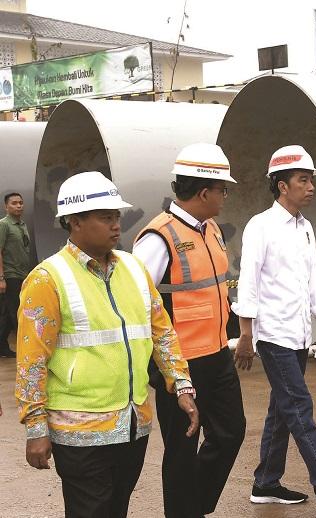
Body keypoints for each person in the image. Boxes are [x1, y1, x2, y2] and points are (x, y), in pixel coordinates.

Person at [15, 171, 199, 518]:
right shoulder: (47, 279)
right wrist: (36, 429)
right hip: (79, 432)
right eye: (105, 217)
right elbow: (31, 361)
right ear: (74, 222)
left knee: (116, 510)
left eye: (116, 216)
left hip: (132, 425)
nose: (116, 225)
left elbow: (162, 333)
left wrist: (182, 386)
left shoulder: (134, 268)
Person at [233, 145, 316, 516]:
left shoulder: (305, 228)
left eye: (311, 179)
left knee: (282, 408)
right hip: (273, 335)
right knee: (299, 406)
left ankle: (266, 483)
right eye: (303, 180)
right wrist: (246, 334)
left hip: (299, 333)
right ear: (282, 185)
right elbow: (248, 281)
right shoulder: (261, 226)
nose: (311, 186)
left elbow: (313, 276)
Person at [133, 143, 245, 518]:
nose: (225, 196)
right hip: (178, 366)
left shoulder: (211, 229)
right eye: (222, 190)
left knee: (231, 432)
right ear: (203, 193)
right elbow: (136, 304)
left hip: (215, 355)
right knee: (182, 447)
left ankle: (191, 507)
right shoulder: (158, 238)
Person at [0, 192, 32, 358]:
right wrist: (1, 278)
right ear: (6, 207)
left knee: (7, 312)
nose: (19, 205)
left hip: (23, 274)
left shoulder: (22, 224)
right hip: (10, 274)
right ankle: (27, 348)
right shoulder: (4, 224)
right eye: (14, 203)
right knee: (16, 312)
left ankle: (2, 346)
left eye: (20, 202)